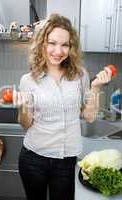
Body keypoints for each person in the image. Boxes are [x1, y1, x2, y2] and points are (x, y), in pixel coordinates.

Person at [13, 14, 111, 200]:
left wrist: (96, 87)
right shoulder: (28, 80)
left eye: (65, 44)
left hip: (66, 161)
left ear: (71, 47)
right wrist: (23, 106)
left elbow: (88, 117)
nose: (58, 50)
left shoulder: (80, 75)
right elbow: (26, 124)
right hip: (34, 159)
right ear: (43, 44)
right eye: (52, 43)